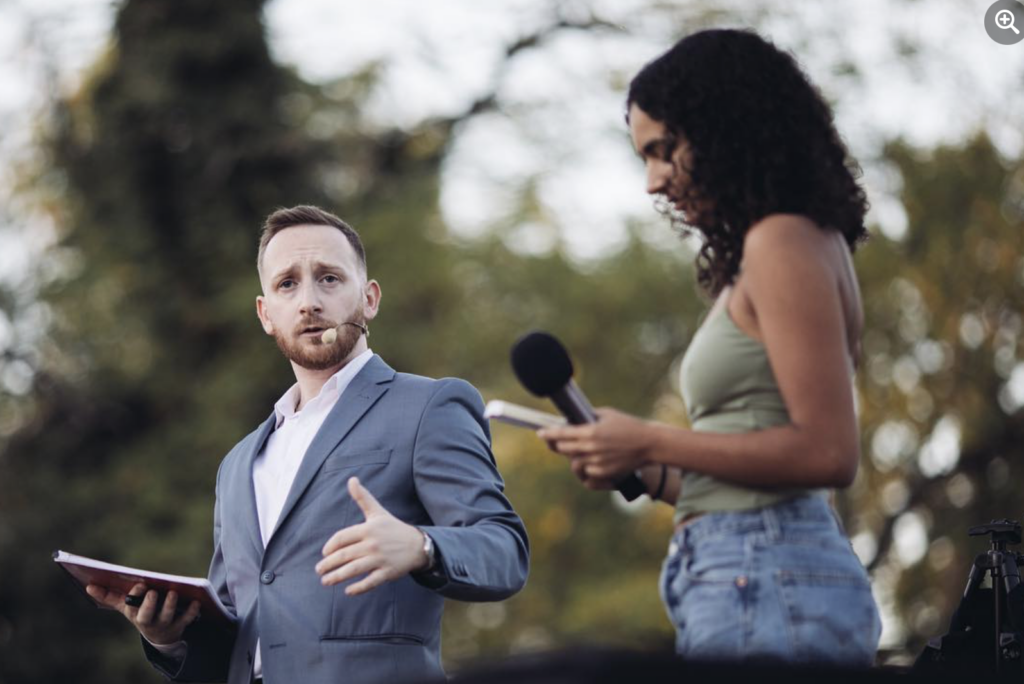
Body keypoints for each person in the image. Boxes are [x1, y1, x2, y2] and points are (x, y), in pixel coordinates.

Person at [539, 29, 881, 666]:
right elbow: (754, 460)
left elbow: (828, 452)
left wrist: (647, 439)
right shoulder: (783, 246)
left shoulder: (782, 241)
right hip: (751, 569)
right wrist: (640, 468)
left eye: (664, 150)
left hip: (767, 571)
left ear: (728, 129)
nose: (652, 181)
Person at [85, 205, 529, 684]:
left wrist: (423, 546)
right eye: (287, 284)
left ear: (370, 298)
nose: (309, 301)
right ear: (265, 314)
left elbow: (504, 549)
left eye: (330, 278)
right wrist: (167, 638)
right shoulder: (237, 464)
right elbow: (235, 632)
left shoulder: (429, 405)